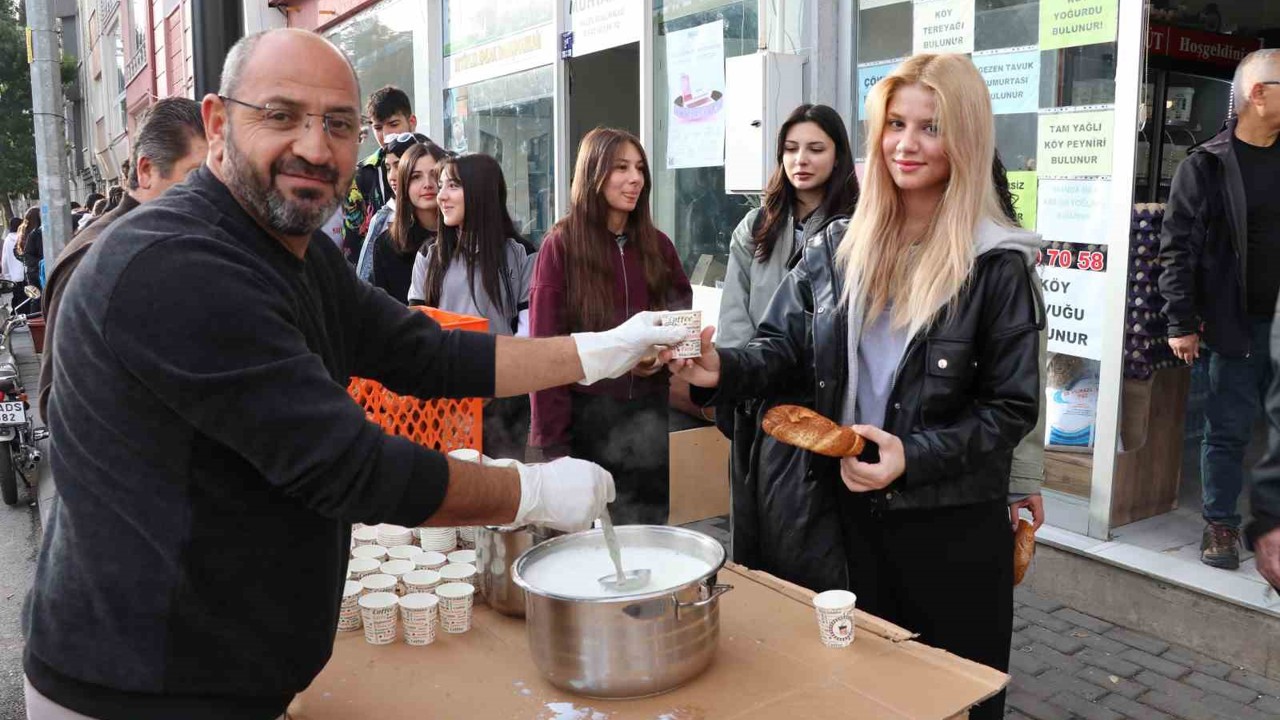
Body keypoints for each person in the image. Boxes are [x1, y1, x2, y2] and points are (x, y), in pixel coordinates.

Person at [23, 29, 686, 720]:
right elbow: (348, 466)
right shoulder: (176, 264)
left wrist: (597, 348)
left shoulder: (297, 255)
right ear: (218, 123)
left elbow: (427, 352)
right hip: (136, 687)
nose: (315, 146)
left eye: (337, 124)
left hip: (229, 671)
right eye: (281, 116)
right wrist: (534, 490)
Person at [668, 54, 1041, 719]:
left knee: (952, 697)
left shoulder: (996, 264)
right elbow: (781, 348)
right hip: (846, 519)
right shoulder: (840, 246)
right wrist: (721, 369)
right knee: (860, 697)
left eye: (930, 127)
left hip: (950, 527)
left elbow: (1010, 408)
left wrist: (913, 456)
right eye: (896, 123)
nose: (906, 143)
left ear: (966, 137)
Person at [715, 104, 859, 578]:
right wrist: (734, 383)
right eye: (791, 149)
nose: (801, 160)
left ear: (838, 157)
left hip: (826, 411)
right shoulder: (756, 227)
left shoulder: (859, 229)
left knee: (820, 550)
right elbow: (735, 318)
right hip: (759, 401)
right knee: (758, 542)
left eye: (816, 149)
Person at [530, 127, 693, 525]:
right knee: (588, 544)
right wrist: (554, 448)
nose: (635, 178)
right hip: (587, 419)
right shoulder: (562, 245)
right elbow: (545, 348)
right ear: (593, 173)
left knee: (649, 538)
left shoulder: (658, 245)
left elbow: (680, 312)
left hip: (648, 420)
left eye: (639, 168)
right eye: (621, 167)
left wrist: (664, 354)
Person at [1158, 48, 1280, 570]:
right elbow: (1176, 248)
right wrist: (1180, 321)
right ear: (1258, 94)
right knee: (1227, 429)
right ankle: (1221, 525)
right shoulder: (1206, 164)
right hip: (1236, 326)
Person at [39, 96, 208, 422]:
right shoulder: (94, 260)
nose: (214, 193)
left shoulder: (176, 244)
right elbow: (56, 401)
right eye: (197, 176)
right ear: (145, 170)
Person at [410, 153, 536, 459]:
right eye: (441, 186)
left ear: (481, 191)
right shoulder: (429, 256)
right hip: (447, 397)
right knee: (455, 492)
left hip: (505, 397)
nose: (441, 196)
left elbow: (528, 328)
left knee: (503, 489)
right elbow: (417, 326)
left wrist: (497, 383)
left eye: (452, 186)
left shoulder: (520, 253)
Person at [341, 85, 418, 263]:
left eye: (393, 124)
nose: (385, 135)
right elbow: (352, 248)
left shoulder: (437, 165)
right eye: (378, 127)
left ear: (412, 122)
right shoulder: (361, 177)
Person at [370, 141, 447, 302]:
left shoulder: (468, 239)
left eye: (435, 175)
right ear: (404, 185)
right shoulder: (386, 245)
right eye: (416, 177)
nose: (427, 184)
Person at [356, 132, 436, 284]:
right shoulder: (385, 235)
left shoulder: (463, 235)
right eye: (387, 168)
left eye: (398, 166)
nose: (392, 176)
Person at [15, 205, 42, 309]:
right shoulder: (35, 234)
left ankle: (35, 322)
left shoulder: (24, 233)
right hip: (35, 272)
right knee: (38, 299)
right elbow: (26, 256)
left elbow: (20, 254)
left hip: (30, 272)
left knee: (35, 300)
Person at [1, 217, 23, 308]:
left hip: (14, 278)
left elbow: (4, 260)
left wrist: (7, 276)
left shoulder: (7, 240)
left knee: (17, 299)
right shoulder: (23, 238)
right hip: (25, 275)